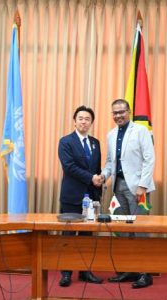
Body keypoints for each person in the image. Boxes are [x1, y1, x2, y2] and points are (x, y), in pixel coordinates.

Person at [101, 99, 155, 289]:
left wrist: (143, 186)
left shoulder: (141, 131)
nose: (118, 116)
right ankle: (130, 269)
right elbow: (110, 162)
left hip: (138, 189)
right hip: (118, 188)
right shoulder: (111, 134)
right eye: (115, 113)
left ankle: (145, 273)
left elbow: (150, 159)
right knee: (122, 230)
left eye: (121, 112)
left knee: (140, 230)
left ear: (129, 112)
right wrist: (103, 175)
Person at [57, 105, 104, 287]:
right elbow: (69, 167)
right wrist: (91, 177)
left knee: (87, 237)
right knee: (68, 236)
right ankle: (66, 273)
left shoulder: (95, 142)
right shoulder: (66, 141)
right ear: (75, 121)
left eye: (87, 119)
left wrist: (100, 178)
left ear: (92, 122)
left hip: (91, 196)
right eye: (81, 118)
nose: (84, 121)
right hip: (72, 196)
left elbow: (97, 168)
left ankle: (85, 271)